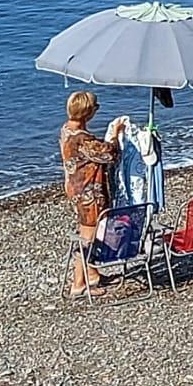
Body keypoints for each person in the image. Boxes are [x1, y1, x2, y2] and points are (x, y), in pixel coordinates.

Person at [60, 91, 130, 299]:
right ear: (87, 113)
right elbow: (110, 153)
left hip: (75, 187)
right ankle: (78, 284)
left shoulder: (66, 130)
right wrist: (116, 134)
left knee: (85, 230)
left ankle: (91, 273)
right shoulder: (83, 139)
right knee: (88, 237)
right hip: (89, 192)